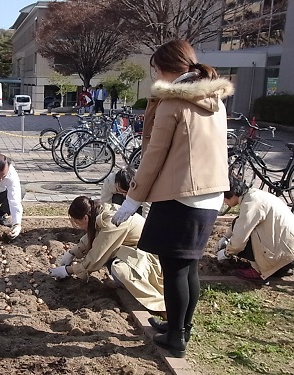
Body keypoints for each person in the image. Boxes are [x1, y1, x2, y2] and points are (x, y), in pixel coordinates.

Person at [111, 40, 233, 357]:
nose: (154, 76)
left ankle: (176, 337)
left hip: (181, 195)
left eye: (154, 69)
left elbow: (153, 156)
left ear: (164, 69)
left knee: (175, 270)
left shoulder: (173, 103)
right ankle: (181, 326)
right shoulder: (213, 98)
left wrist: (132, 200)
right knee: (188, 267)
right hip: (210, 195)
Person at [49, 196, 165, 315]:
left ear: (85, 218)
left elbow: (97, 255)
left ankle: (161, 306)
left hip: (151, 258)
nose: (77, 226)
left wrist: (68, 270)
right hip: (137, 250)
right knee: (111, 259)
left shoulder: (111, 222)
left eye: (77, 223)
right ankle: (123, 283)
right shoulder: (101, 212)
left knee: (118, 269)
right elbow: (94, 236)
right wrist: (72, 252)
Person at [216, 176, 294, 280]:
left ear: (232, 195)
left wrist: (226, 253)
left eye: (223, 199)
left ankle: (258, 271)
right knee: (239, 224)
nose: (224, 203)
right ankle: (274, 265)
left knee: (245, 235)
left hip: (280, 257)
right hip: (287, 253)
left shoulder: (250, 204)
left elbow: (239, 239)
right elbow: (239, 222)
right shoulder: (254, 195)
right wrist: (226, 237)